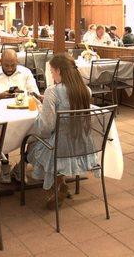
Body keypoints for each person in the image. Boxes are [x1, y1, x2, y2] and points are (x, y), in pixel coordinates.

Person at [26, 54, 101, 209]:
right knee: (56, 143)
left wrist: (41, 111)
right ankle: (61, 182)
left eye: (52, 72)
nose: (52, 76)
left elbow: (47, 127)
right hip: (83, 145)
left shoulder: (52, 91)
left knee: (30, 146)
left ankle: (58, 184)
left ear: (58, 71)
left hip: (58, 149)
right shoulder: (85, 90)